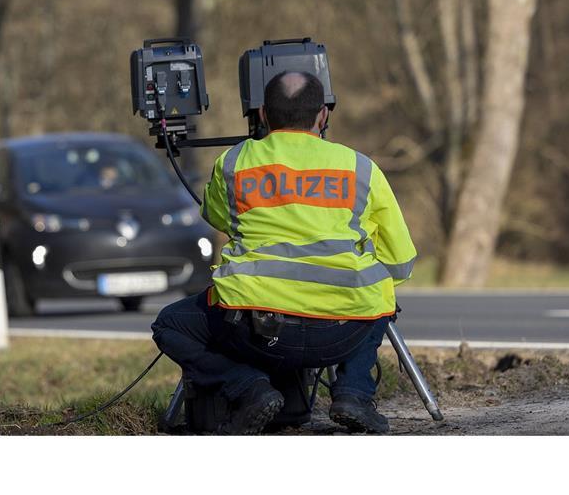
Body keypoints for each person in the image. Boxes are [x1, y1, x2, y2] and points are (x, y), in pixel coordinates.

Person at [151, 71, 417, 434]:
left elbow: (215, 215)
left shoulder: (234, 163)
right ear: (323, 115)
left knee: (169, 323)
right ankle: (353, 392)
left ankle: (250, 388)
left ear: (261, 114)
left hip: (255, 330)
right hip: (342, 333)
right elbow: (401, 262)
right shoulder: (361, 168)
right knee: (380, 295)